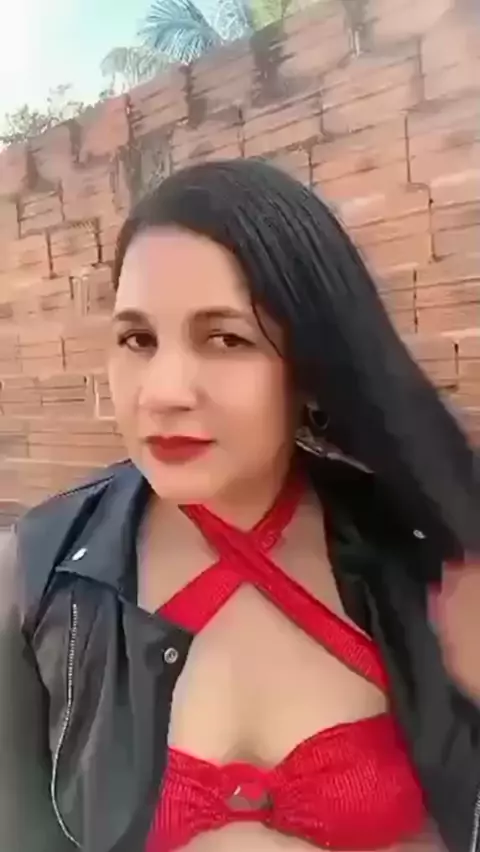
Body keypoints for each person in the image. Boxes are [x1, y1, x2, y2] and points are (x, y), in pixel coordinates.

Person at [0, 158, 479, 852]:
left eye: (226, 338)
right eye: (138, 339)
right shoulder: (39, 578)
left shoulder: (422, 557)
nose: (163, 392)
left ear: (310, 365)